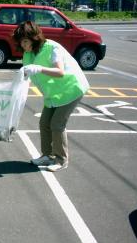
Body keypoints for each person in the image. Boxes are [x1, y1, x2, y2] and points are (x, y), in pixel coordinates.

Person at [13, 21, 89, 172]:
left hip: (71, 89)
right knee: (44, 123)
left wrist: (39, 68)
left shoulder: (52, 47)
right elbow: (29, 74)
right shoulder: (28, 53)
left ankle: (61, 160)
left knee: (57, 124)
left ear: (34, 37)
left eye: (26, 41)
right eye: (21, 42)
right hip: (53, 94)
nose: (23, 45)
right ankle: (47, 156)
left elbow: (60, 72)